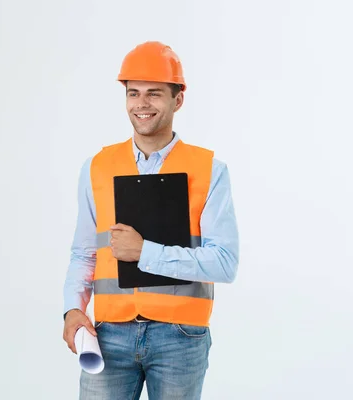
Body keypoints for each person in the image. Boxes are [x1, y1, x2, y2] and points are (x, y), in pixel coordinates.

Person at [62, 41, 240, 400]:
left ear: (178, 99)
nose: (141, 104)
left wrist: (144, 252)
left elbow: (225, 263)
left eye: (154, 93)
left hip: (180, 337)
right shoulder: (97, 168)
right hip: (108, 335)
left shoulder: (209, 171)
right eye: (133, 93)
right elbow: (84, 252)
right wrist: (72, 309)